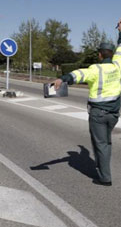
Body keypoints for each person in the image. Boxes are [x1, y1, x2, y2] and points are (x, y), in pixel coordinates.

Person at [54, 20, 121, 186]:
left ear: (100, 55)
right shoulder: (118, 66)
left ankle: (105, 177)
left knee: (102, 144)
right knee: (104, 142)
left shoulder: (94, 70)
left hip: (98, 114)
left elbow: (77, 75)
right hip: (114, 115)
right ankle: (101, 166)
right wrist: (120, 32)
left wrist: (62, 78)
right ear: (112, 54)